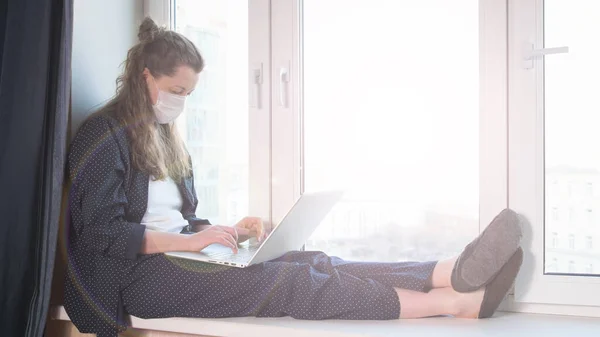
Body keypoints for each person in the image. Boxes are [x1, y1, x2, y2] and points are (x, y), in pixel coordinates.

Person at [63, 18, 524, 337]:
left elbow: (180, 221)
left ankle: (449, 272)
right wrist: (192, 244)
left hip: (178, 258)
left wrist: (227, 233)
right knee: (292, 283)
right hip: (131, 278)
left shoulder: (165, 137)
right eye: (177, 91)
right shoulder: (102, 136)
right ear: (145, 78)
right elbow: (103, 234)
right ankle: (456, 303)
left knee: (313, 260)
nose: (181, 102)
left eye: (189, 93)